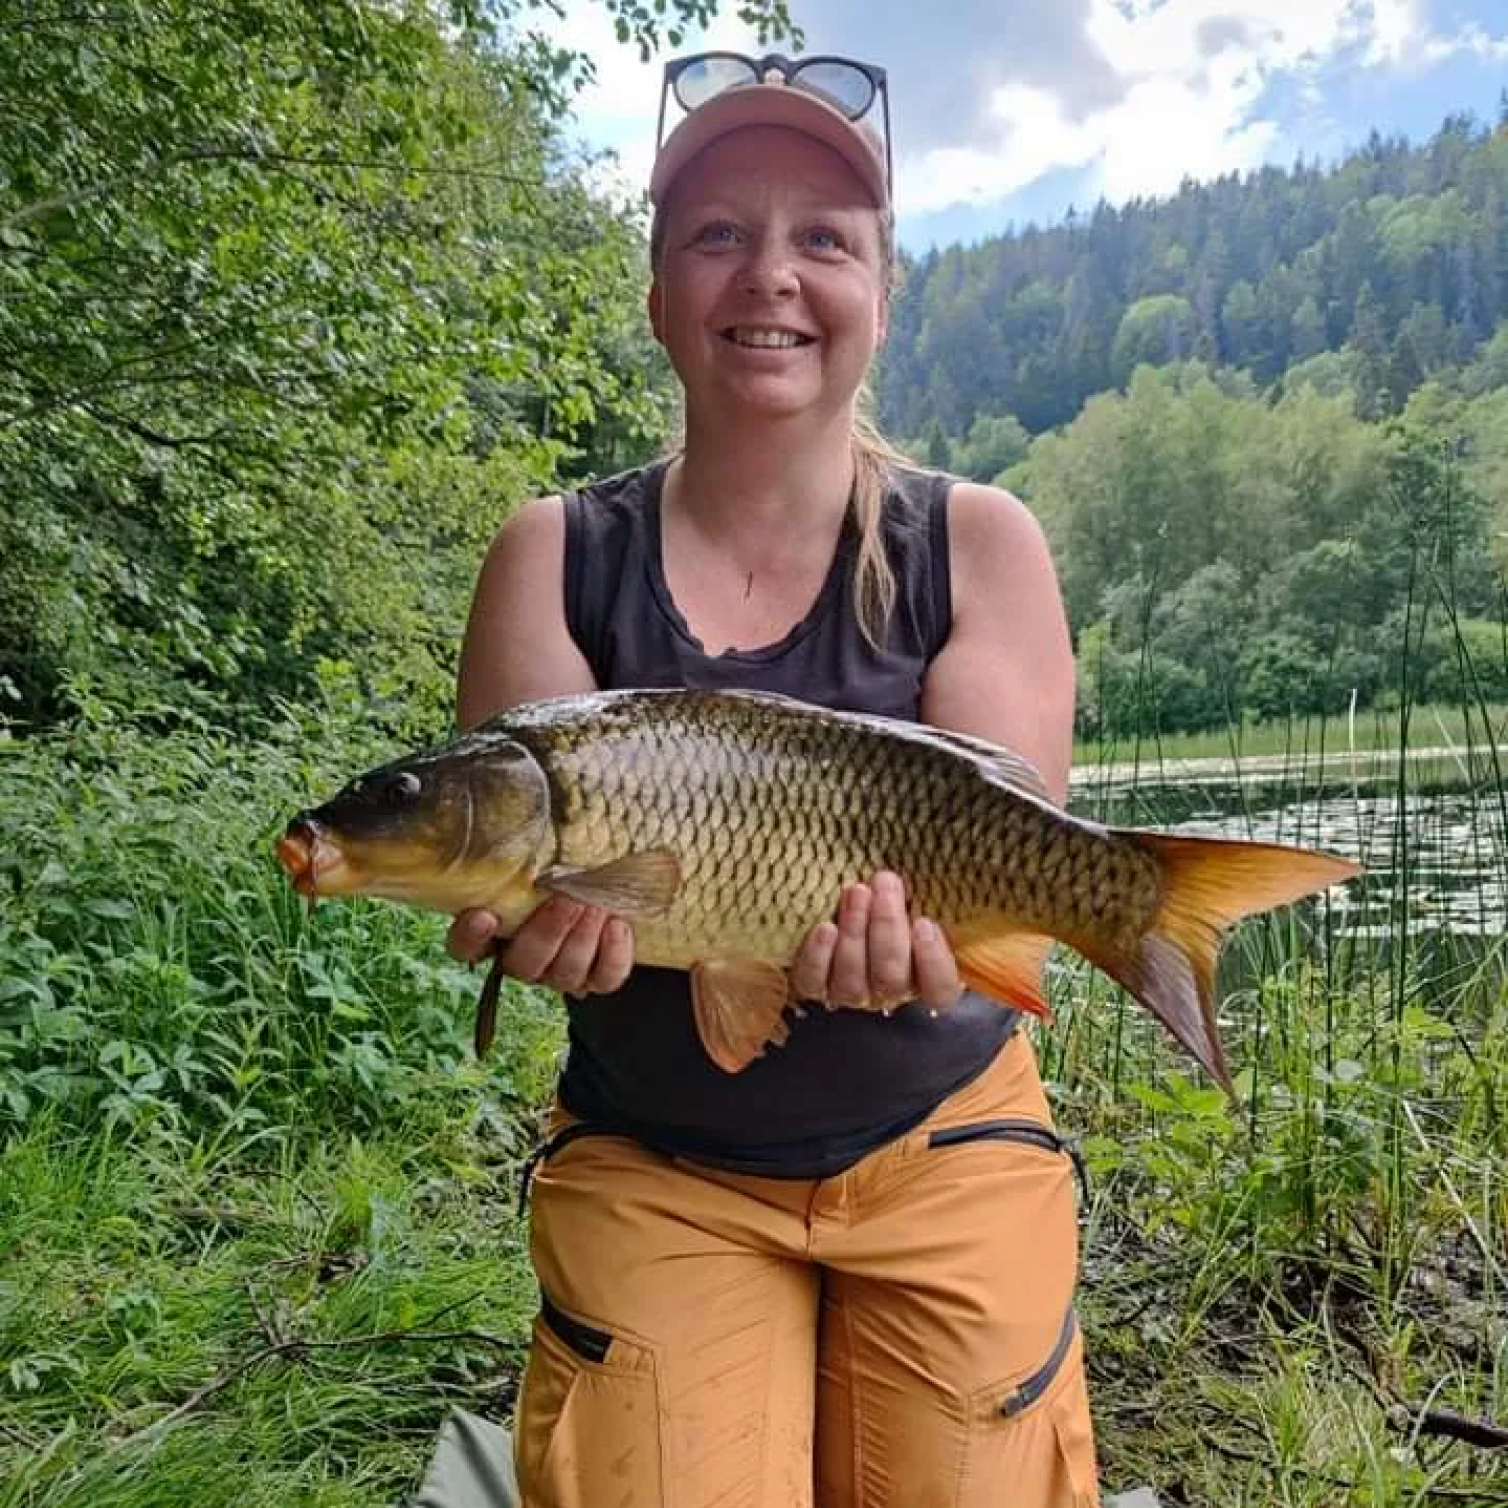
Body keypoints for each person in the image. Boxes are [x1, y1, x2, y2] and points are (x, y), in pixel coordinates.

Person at [446, 50, 1098, 1508]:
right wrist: (535, 938)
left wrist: (943, 962)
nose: (772, 276)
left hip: (942, 1139)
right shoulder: (551, 553)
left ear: (883, 288)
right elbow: (497, 881)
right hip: (660, 1153)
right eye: (718, 233)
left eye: (824, 238)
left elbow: (1013, 869)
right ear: (659, 288)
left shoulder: (980, 543)